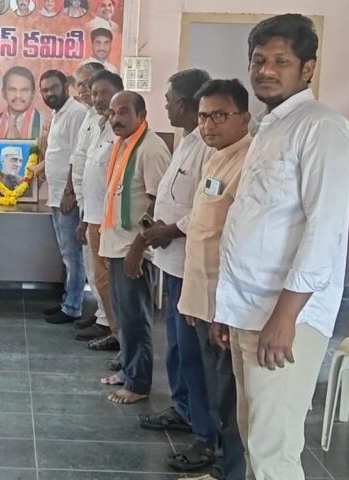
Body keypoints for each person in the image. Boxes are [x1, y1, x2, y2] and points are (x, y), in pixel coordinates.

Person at [212, 14, 349, 480]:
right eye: (258, 61)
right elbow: (257, 221)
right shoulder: (270, 128)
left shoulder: (322, 127)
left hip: (285, 316)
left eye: (281, 61)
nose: (266, 71)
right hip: (249, 309)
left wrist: (286, 316)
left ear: (307, 68)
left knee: (274, 451)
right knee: (255, 440)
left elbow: (324, 231)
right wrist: (227, 310)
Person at [171, 79, 252, 479]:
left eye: (219, 115)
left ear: (244, 118)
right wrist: (192, 298)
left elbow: (236, 243)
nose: (208, 124)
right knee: (212, 385)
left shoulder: (248, 163)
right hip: (202, 297)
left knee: (228, 394)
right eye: (203, 116)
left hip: (224, 302)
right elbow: (202, 232)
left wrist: (219, 307)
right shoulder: (216, 158)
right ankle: (219, 460)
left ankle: (228, 469)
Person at [138, 70, 216, 457]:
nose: (165, 105)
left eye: (169, 100)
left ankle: (205, 433)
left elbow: (207, 208)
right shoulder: (186, 140)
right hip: (170, 261)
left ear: (184, 103)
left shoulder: (209, 147)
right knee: (175, 347)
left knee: (193, 352)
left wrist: (171, 229)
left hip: (190, 265)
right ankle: (183, 408)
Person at [98, 91, 170, 405]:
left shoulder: (151, 149)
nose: (116, 119)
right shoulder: (124, 144)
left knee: (136, 318)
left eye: (124, 112)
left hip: (134, 249)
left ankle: (138, 383)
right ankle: (128, 370)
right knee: (124, 316)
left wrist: (138, 248)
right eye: (112, 113)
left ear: (141, 115)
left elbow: (158, 203)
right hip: (117, 245)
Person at [40, 70, 91, 324]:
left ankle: (72, 307)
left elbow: (76, 156)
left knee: (73, 255)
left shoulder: (76, 113)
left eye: (53, 88)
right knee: (66, 253)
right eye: (45, 90)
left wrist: (69, 192)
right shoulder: (58, 114)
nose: (49, 93)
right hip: (56, 195)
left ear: (66, 87)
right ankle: (68, 300)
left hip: (67, 197)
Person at [77, 70, 123, 351]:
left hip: (110, 221)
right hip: (93, 215)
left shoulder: (122, 132)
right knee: (100, 281)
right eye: (95, 93)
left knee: (111, 284)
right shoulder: (98, 125)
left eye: (105, 93)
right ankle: (110, 327)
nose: (98, 99)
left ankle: (116, 333)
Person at [0, 66, 42, 140]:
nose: (18, 95)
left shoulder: (44, 124)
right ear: (3, 93)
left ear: (33, 94)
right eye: (12, 89)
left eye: (24, 90)